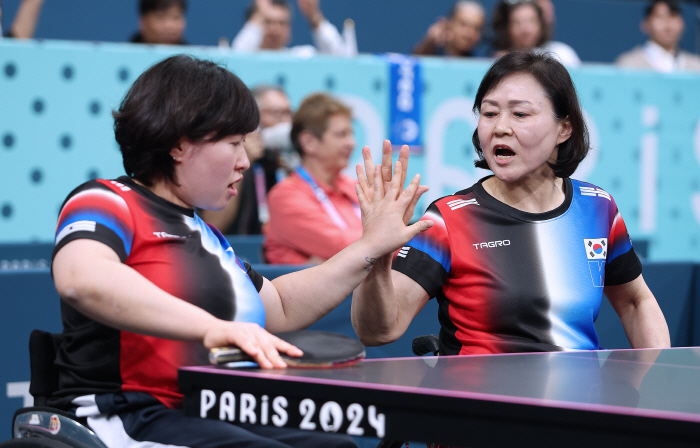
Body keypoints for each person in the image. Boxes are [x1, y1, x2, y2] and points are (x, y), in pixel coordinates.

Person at [49, 54, 429, 448]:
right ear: (180, 145)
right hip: (126, 413)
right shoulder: (108, 200)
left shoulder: (206, 235)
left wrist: (369, 247)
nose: (246, 162)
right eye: (234, 143)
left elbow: (278, 306)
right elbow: (82, 279)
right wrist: (212, 327)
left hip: (212, 411)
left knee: (334, 446)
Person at [352, 50, 670, 357]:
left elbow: (635, 303)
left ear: (564, 127)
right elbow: (379, 331)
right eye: (489, 113)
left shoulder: (599, 209)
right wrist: (376, 255)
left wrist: (657, 380)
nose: (500, 127)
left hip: (580, 406)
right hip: (485, 407)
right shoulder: (448, 220)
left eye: (520, 114)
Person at [263, 93, 362, 264]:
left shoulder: (353, 186)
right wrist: (396, 238)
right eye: (341, 134)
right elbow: (348, 248)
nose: (352, 143)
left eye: (351, 134)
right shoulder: (285, 197)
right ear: (309, 142)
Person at [199, 85, 295, 234]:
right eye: (277, 113)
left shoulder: (284, 163)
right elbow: (212, 226)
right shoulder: (223, 157)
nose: (285, 123)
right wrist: (239, 161)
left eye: (289, 114)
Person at [231, 0, 356, 57]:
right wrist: (259, 14)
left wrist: (314, 16)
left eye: (282, 23)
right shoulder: (244, 55)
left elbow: (339, 58)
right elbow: (238, 56)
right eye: (267, 22)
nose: (275, 29)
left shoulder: (300, 56)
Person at [615, 0, 700, 72]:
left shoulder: (696, 67)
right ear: (645, 24)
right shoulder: (628, 65)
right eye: (660, 16)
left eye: (673, 16)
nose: (667, 23)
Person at [491, 0, 581, 67]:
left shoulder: (562, 54)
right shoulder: (495, 61)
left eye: (532, 21)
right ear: (506, 28)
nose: (525, 29)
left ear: (541, 25)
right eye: (517, 22)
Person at [412, 0, 485, 58]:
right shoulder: (431, 53)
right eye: (463, 24)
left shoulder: (482, 63)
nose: (469, 34)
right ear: (449, 24)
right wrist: (429, 42)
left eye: (476, 28)